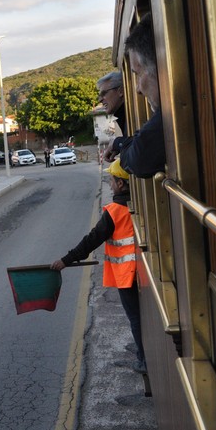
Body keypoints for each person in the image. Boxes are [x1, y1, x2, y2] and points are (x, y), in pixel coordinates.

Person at [51, 159, 145, 373]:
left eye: (111, 180)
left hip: (127, 275)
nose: (110, 185)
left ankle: (144, 360)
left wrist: (66, 260)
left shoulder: (115, 211)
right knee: (142, 317)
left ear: (121, 184)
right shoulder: (141, 203)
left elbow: (92, 239)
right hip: (142, 272)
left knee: (136, 319)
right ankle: (144, 355)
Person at [102, 13, 165, 177]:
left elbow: (140, 158)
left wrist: (119, 143)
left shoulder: (172, 113)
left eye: (138, 74)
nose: (137, 89)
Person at [97, 70, 126, 138]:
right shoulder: (124, 117)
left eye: (104, 93)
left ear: (120, 91)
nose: (100, 100)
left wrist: (116, 143)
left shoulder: (133, 115)